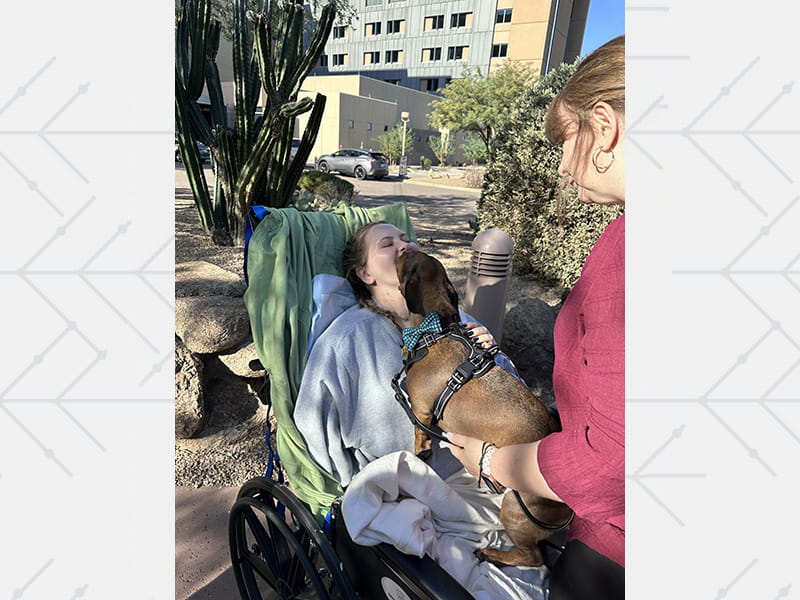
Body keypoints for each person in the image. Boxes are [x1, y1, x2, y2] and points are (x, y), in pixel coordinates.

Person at [447, 35, 625, 599]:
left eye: (563, 140)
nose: (561, 166)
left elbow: (611, 462)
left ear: (603, 126)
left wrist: (495, 460)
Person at [294, 221, 502, 488]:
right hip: (395, 488)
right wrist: (357, 484)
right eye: (387, 244)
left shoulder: (456, 320)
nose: (405, 245)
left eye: (406, 239)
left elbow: (506, 394)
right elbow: (314, 420)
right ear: (365, 273)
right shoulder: (346, 339)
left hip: (479, 473)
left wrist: (491, 354)